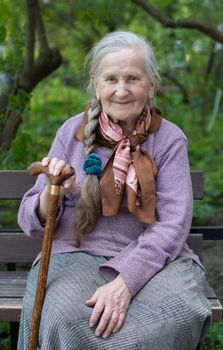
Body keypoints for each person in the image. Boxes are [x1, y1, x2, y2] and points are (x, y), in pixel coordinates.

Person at [17, 31, 211, 350]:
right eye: (111, 79)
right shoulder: (71, 132)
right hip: (76, 254)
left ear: (151, 85)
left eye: (133, 78)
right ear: (96, 84)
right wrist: (55, 191)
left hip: (153, 259)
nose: (121, 90)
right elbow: (29, 220)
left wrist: (125, 282)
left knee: (177, 312)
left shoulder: (170, 140)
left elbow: (172, 225)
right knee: (63, 317)